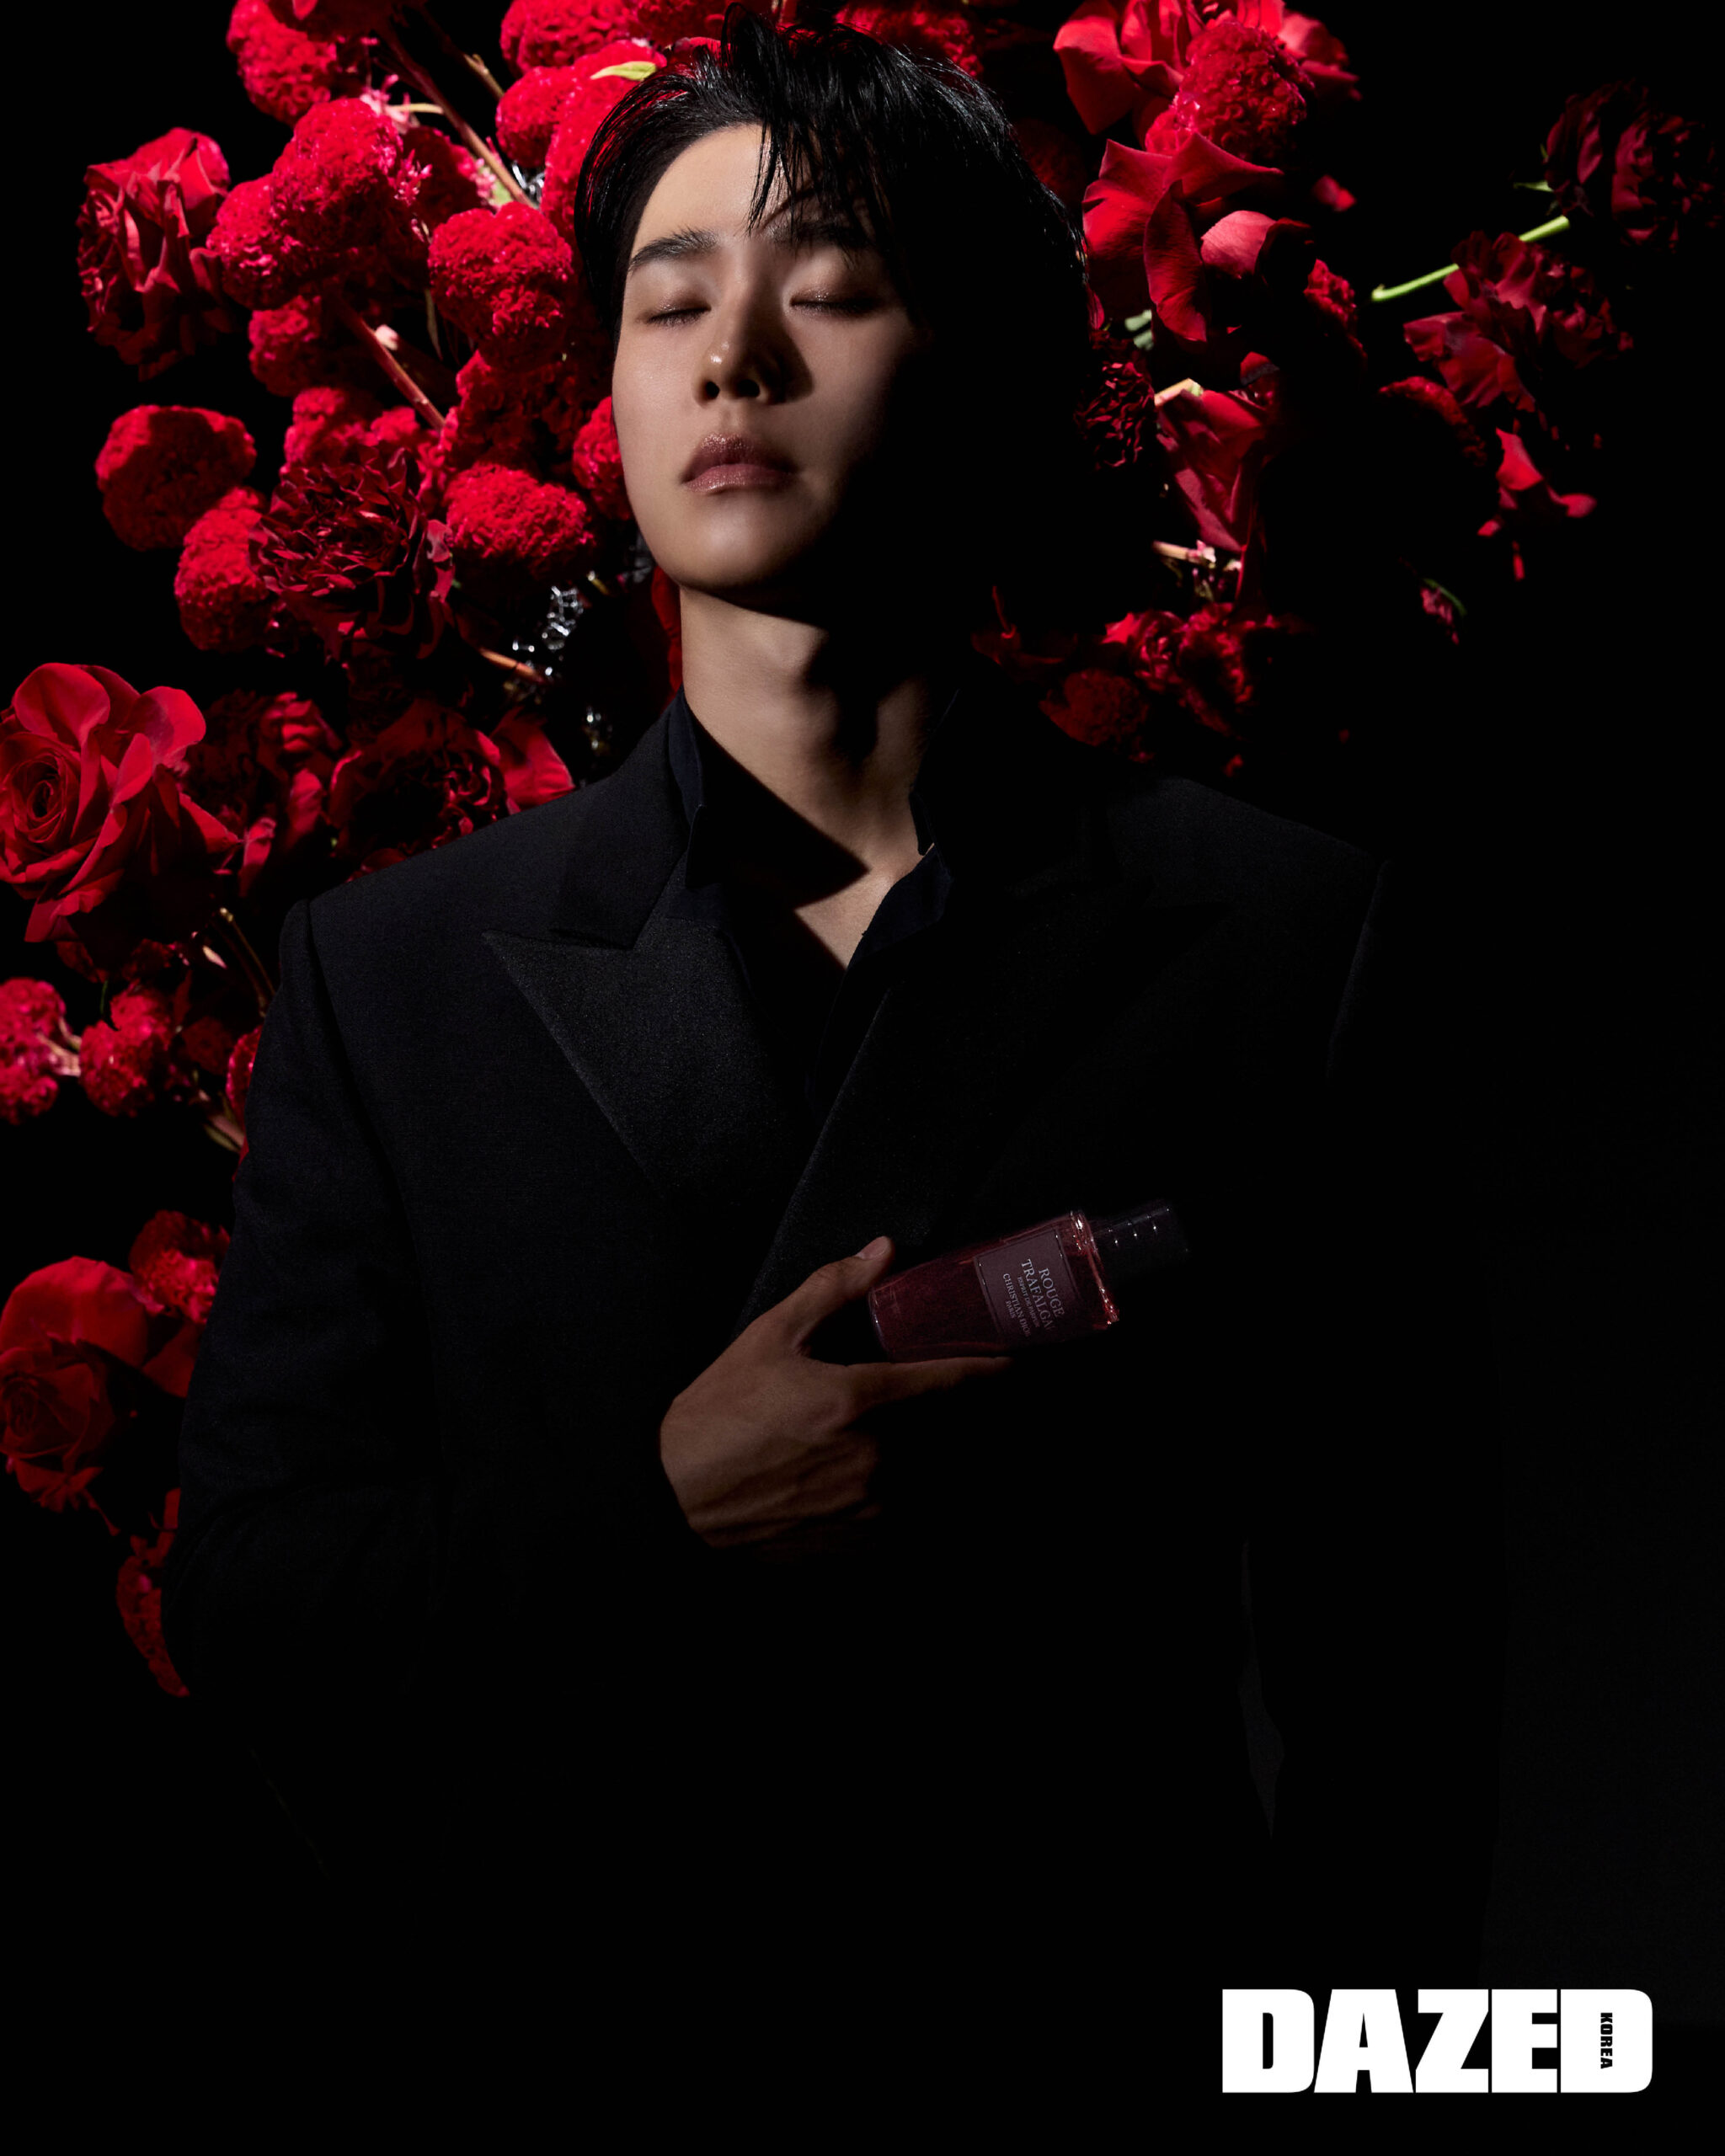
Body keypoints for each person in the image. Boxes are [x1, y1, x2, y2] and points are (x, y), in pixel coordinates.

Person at [163, 6, 1503, 2058]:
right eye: (667, 301)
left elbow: (1397, 1665)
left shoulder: (1274, 937)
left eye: (829, 288)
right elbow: (260, 1601)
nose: (732, 357)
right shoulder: (393, 975)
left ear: (984, 369)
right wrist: (659, 1505)